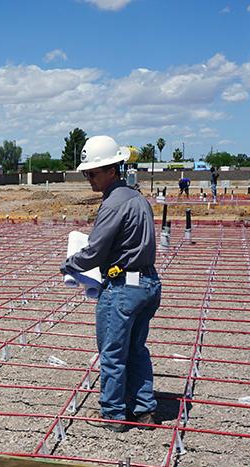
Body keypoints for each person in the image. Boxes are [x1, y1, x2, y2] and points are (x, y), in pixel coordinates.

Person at [61, 135, 161, 432]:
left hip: (123, 289)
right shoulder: (137, 198)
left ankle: (113, 415)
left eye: (92, 173)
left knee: (113, 355)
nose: (88, 178)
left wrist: (69, 265)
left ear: (111, 170)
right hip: (148, 284)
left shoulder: (113, 204)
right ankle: (145, 411)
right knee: (136, 350)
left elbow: (95, 251)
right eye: (86, 174)